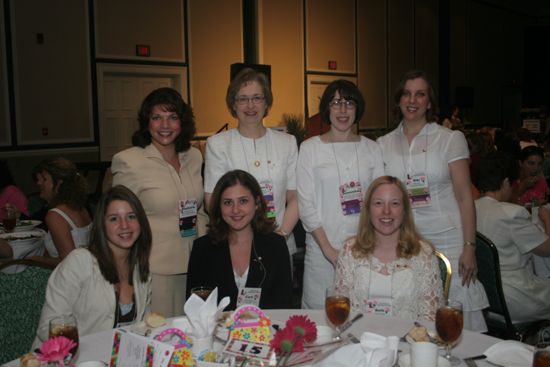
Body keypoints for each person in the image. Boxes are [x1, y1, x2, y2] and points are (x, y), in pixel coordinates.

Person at [376, 69, 488, 331]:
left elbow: (464, 197)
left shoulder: (450, 139)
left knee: (454, 318)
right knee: (414, 316)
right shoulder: (383, 143)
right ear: (398, 100)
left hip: (448, 239)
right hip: (405, 240)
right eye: (406, 93)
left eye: (420, 94)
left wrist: (469, 246)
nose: (412, 100)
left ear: (429, 101)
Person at [111, 87, 206, 317]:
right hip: (155, 268)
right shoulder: (129, 161)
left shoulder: (194, 156)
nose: (165, 125)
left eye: (172, 117)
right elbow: (116, 220)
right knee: (162, 337)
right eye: (157, 117)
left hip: (198, 262)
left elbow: (201, 209)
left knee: (197, 333)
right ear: (147, 122)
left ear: (182, 122)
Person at [297, 79, 383, 309]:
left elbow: (380, 202)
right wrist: (329, 251)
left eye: (349, 103)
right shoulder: (310, 149)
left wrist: (370, 246)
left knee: (362, 319)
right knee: (320, 322)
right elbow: (306, 204)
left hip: (365, 251)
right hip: (322, 253)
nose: (343, 110)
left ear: (358, 109)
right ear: (326, 108)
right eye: (336, 103)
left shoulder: (372, 149)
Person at [33, 185, 152, 346]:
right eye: (114, 218)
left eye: (131, 216)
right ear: (102, 225)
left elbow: (143, 326)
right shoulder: (80, 262)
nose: (125, 225)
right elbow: (48, 326)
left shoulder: (140, 268)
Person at [204, 68, 299, 256]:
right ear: (233, 104)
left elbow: (295, 197)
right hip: (234, 244)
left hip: (279, 241)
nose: (250, 105)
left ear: (266, 103)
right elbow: (212, 200)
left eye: (257, 98)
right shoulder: (218, 144)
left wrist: (281, 236)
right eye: (242, 98)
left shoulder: (287, 143)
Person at [335, 176, 443, 321]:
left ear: (404, 210)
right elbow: (341, 313)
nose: (386, 211)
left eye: (395, 203)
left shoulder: (424, 254)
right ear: (368, 210)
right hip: (358, 339)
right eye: (378, 203)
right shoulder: (350, 251)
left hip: (409, 341)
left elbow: (431, 317)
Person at [187, 170, 292, 309]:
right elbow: (194, 307)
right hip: (217, 330)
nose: (235, 210)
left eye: (243, 201)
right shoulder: (203, 248)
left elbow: (283, 305)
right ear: (219, 206)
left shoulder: (276, 246)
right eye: (228, 202)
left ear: (257, 203)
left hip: (266, 328)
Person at [474, 154, 550, 322]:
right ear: (506, 182)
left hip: (483, 295)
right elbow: (547, 249)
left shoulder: (469, 209)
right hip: (514, 297)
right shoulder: (511, 214)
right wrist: (547, 219)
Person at [32, 157, 92, 263]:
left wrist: (36, 260)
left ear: (59, 184)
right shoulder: (81, 208)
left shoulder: (55, 215)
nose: (39, 183)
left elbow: (69, 262)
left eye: (45, 179)